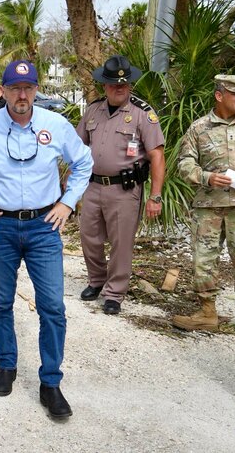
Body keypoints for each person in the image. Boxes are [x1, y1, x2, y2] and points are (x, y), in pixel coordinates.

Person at [0, 60, 93, 419]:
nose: (22, 95)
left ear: (36, 90)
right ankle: (7, 365)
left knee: (52, 307)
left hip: (43, 227)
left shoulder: (54, 124)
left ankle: (50, 382)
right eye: (14, 88)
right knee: (0, 303)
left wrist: (67, 203)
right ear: (2, 90)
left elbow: (83, 162)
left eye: (28, 88)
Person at [172, 74, 235, 336]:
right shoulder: (200, 128)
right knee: (204, 259)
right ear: (219, 95)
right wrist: (206, 177)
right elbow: (184, 163)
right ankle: (206, 312)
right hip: (208, 206)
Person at [76, 55, 165, 315]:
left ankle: (114, 293)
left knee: (121, 242)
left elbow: (157, 156)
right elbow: (77, 146)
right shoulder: (93, 110)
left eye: (124, 85)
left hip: (125, 190)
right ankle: (97, 280)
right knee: (89, 237)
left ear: (130, 85)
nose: (119, 88)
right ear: (105, 85)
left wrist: (155, 197)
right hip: (93, 187)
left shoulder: (142, 114)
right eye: (114, 84)